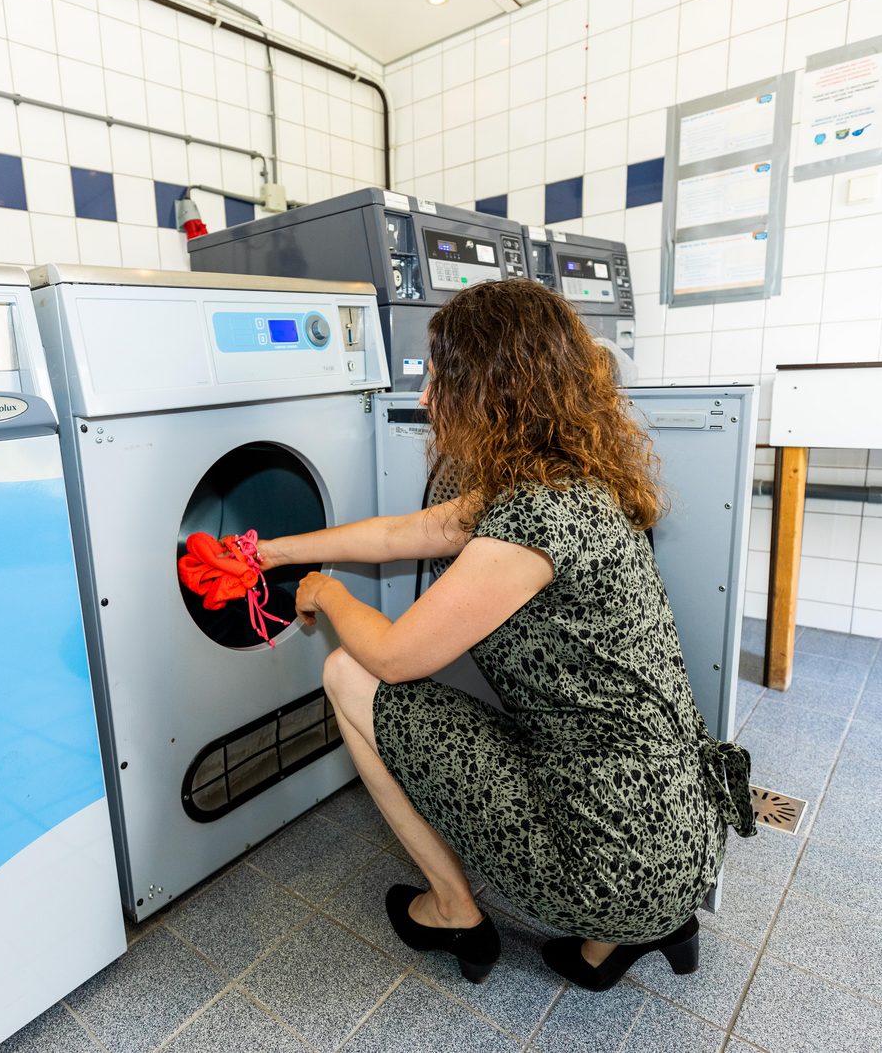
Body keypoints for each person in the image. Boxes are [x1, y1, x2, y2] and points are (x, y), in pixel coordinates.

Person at [254, 278, 754, 990]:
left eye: (439, 377)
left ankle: (455, 910)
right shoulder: (569, 480)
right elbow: (403, 533)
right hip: (676, 827)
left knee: (348, 674)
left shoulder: (530, 522)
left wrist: (326, 591)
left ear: (492, 390)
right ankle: (614, 938)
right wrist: (277, 551)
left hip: (615, 851)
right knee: (563, 743)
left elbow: (394, 658)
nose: (425, 397)